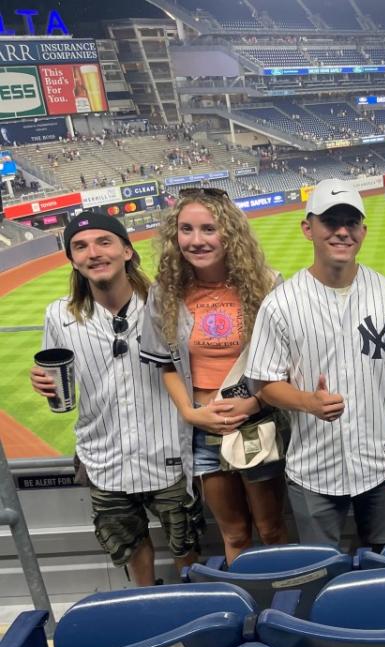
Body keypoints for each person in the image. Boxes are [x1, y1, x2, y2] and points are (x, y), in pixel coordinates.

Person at [245, 179, 385, 550]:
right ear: (308, 228)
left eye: (350, 221)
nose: (342, 231)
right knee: (321, 572)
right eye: (330, 221)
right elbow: (263, 383)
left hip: (382, 462)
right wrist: (307, 402)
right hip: (313, 467)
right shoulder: (281, 304)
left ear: (363, 231)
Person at [30, 212, 202, 585]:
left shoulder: (166, 305)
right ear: (73, 259)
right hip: (104, 457)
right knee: (129, 549)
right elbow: (62, 391)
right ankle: (146, 611)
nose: (93, 252)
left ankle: (193, 607)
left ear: (127, 251)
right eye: (80, 246)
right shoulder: (59, 316)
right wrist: (46, 386)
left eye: (103, 242)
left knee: (185, 546)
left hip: (169, 451)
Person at [140, 188, 288, 564]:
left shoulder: (267, 285)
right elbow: (165, 363)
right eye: (186, 229)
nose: (196, 240)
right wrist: (191, 413)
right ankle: (249, 610)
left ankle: (281, 601)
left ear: (230, 234)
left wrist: (255, 401)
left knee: (271, 529)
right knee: (234, 533)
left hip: (259, 423)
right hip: (203, 432)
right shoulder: (165, 294)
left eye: (208, 229)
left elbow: (288, 363)